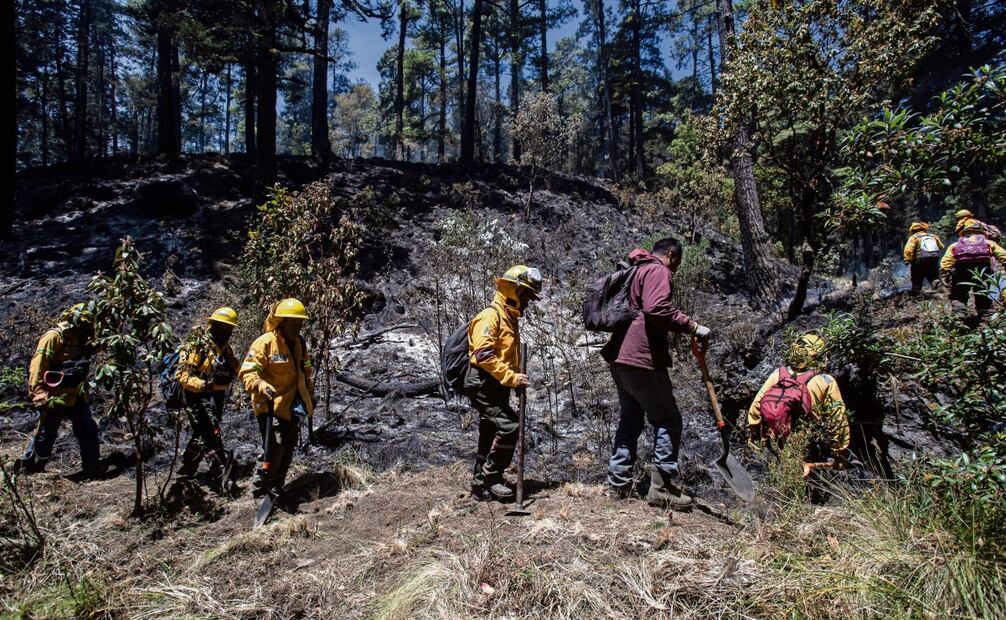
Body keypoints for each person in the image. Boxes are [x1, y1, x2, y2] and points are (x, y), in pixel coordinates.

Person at [601, 238, 710, 509]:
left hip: (620, 356)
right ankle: (661, 488)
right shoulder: (659, 271)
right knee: (668, 420)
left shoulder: (635, 270)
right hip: (641, 358)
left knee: (631, 418)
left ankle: (618, 482)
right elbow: (657, 308)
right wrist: (693, 326)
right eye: (678, 263)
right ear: (671, 255)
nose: (676, 269)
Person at [465, 265, 542, 501]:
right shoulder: (491, 316)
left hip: (495, 383)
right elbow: (483, 355)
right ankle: (492, 477)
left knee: (489, 431)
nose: (527, 300)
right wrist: (511, 377)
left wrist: (512, 380)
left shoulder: (509, 318)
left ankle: (479, 486)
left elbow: (504, 356)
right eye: (525, 294)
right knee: (509, 426)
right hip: (482, 383)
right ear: (512, 289)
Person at [239, 299, 314, 510]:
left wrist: (310, 396)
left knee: (287, 449)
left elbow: (305, 371)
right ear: (281, 322)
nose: (297, 327)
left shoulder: (300, 343)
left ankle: (277, 487)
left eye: (299, 323)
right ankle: (261, 489)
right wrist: (260, 384)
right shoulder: (264, 343)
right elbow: (247, 372)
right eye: (292, 323)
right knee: (274, 447)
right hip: (269, 406)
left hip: (292, 406)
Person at [14, 303, 102, 478]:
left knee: (87, 427)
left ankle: (92, 465)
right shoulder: (54, 337)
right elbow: (37, 366)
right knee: (47, 431)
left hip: (75, 394)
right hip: (53, 395)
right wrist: (38, 394)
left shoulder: (82, 339)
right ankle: (33, 468)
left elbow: (95, 349)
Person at [747, 333, 850, 471]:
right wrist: (839, 454)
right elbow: (838, 420)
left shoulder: (778, 373)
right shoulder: (825, 380)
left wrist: (754, 437)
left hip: (776, 443)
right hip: (808, 446)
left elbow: (756, 407)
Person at [174, 307, 241, 491]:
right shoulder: (197, 346)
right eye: (221, 326)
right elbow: (182, 375)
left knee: (201, 433)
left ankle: (187, 470)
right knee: (210, 433)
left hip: (217, 396)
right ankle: (220, 472)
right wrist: (202, 385)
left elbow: (238, 370)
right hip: (196, 395)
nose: (224, 331)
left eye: (228, 328)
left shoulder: (227, 349)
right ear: (212, 324)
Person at [940, 220, 1006, 321]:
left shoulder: (955, 244)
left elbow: (946, 261)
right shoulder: (988, 242)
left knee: (958, 293)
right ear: (982, 233)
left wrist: (945, 274)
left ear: (964, 233)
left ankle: (959, 313)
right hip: (983, 269)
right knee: (983, 292)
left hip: (961, 270)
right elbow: (1003, 255)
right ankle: (986, 314)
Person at [902, 222, 944, 293]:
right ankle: (938, 288)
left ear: (913, 230)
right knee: (933, 275)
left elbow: (908, 250)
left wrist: (907, 260)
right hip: (933, 259)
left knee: (917, 276)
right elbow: (941, 247)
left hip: (919, 261)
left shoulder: (914, 237)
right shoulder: (933, 236)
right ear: (924, 229)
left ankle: (916, 291)